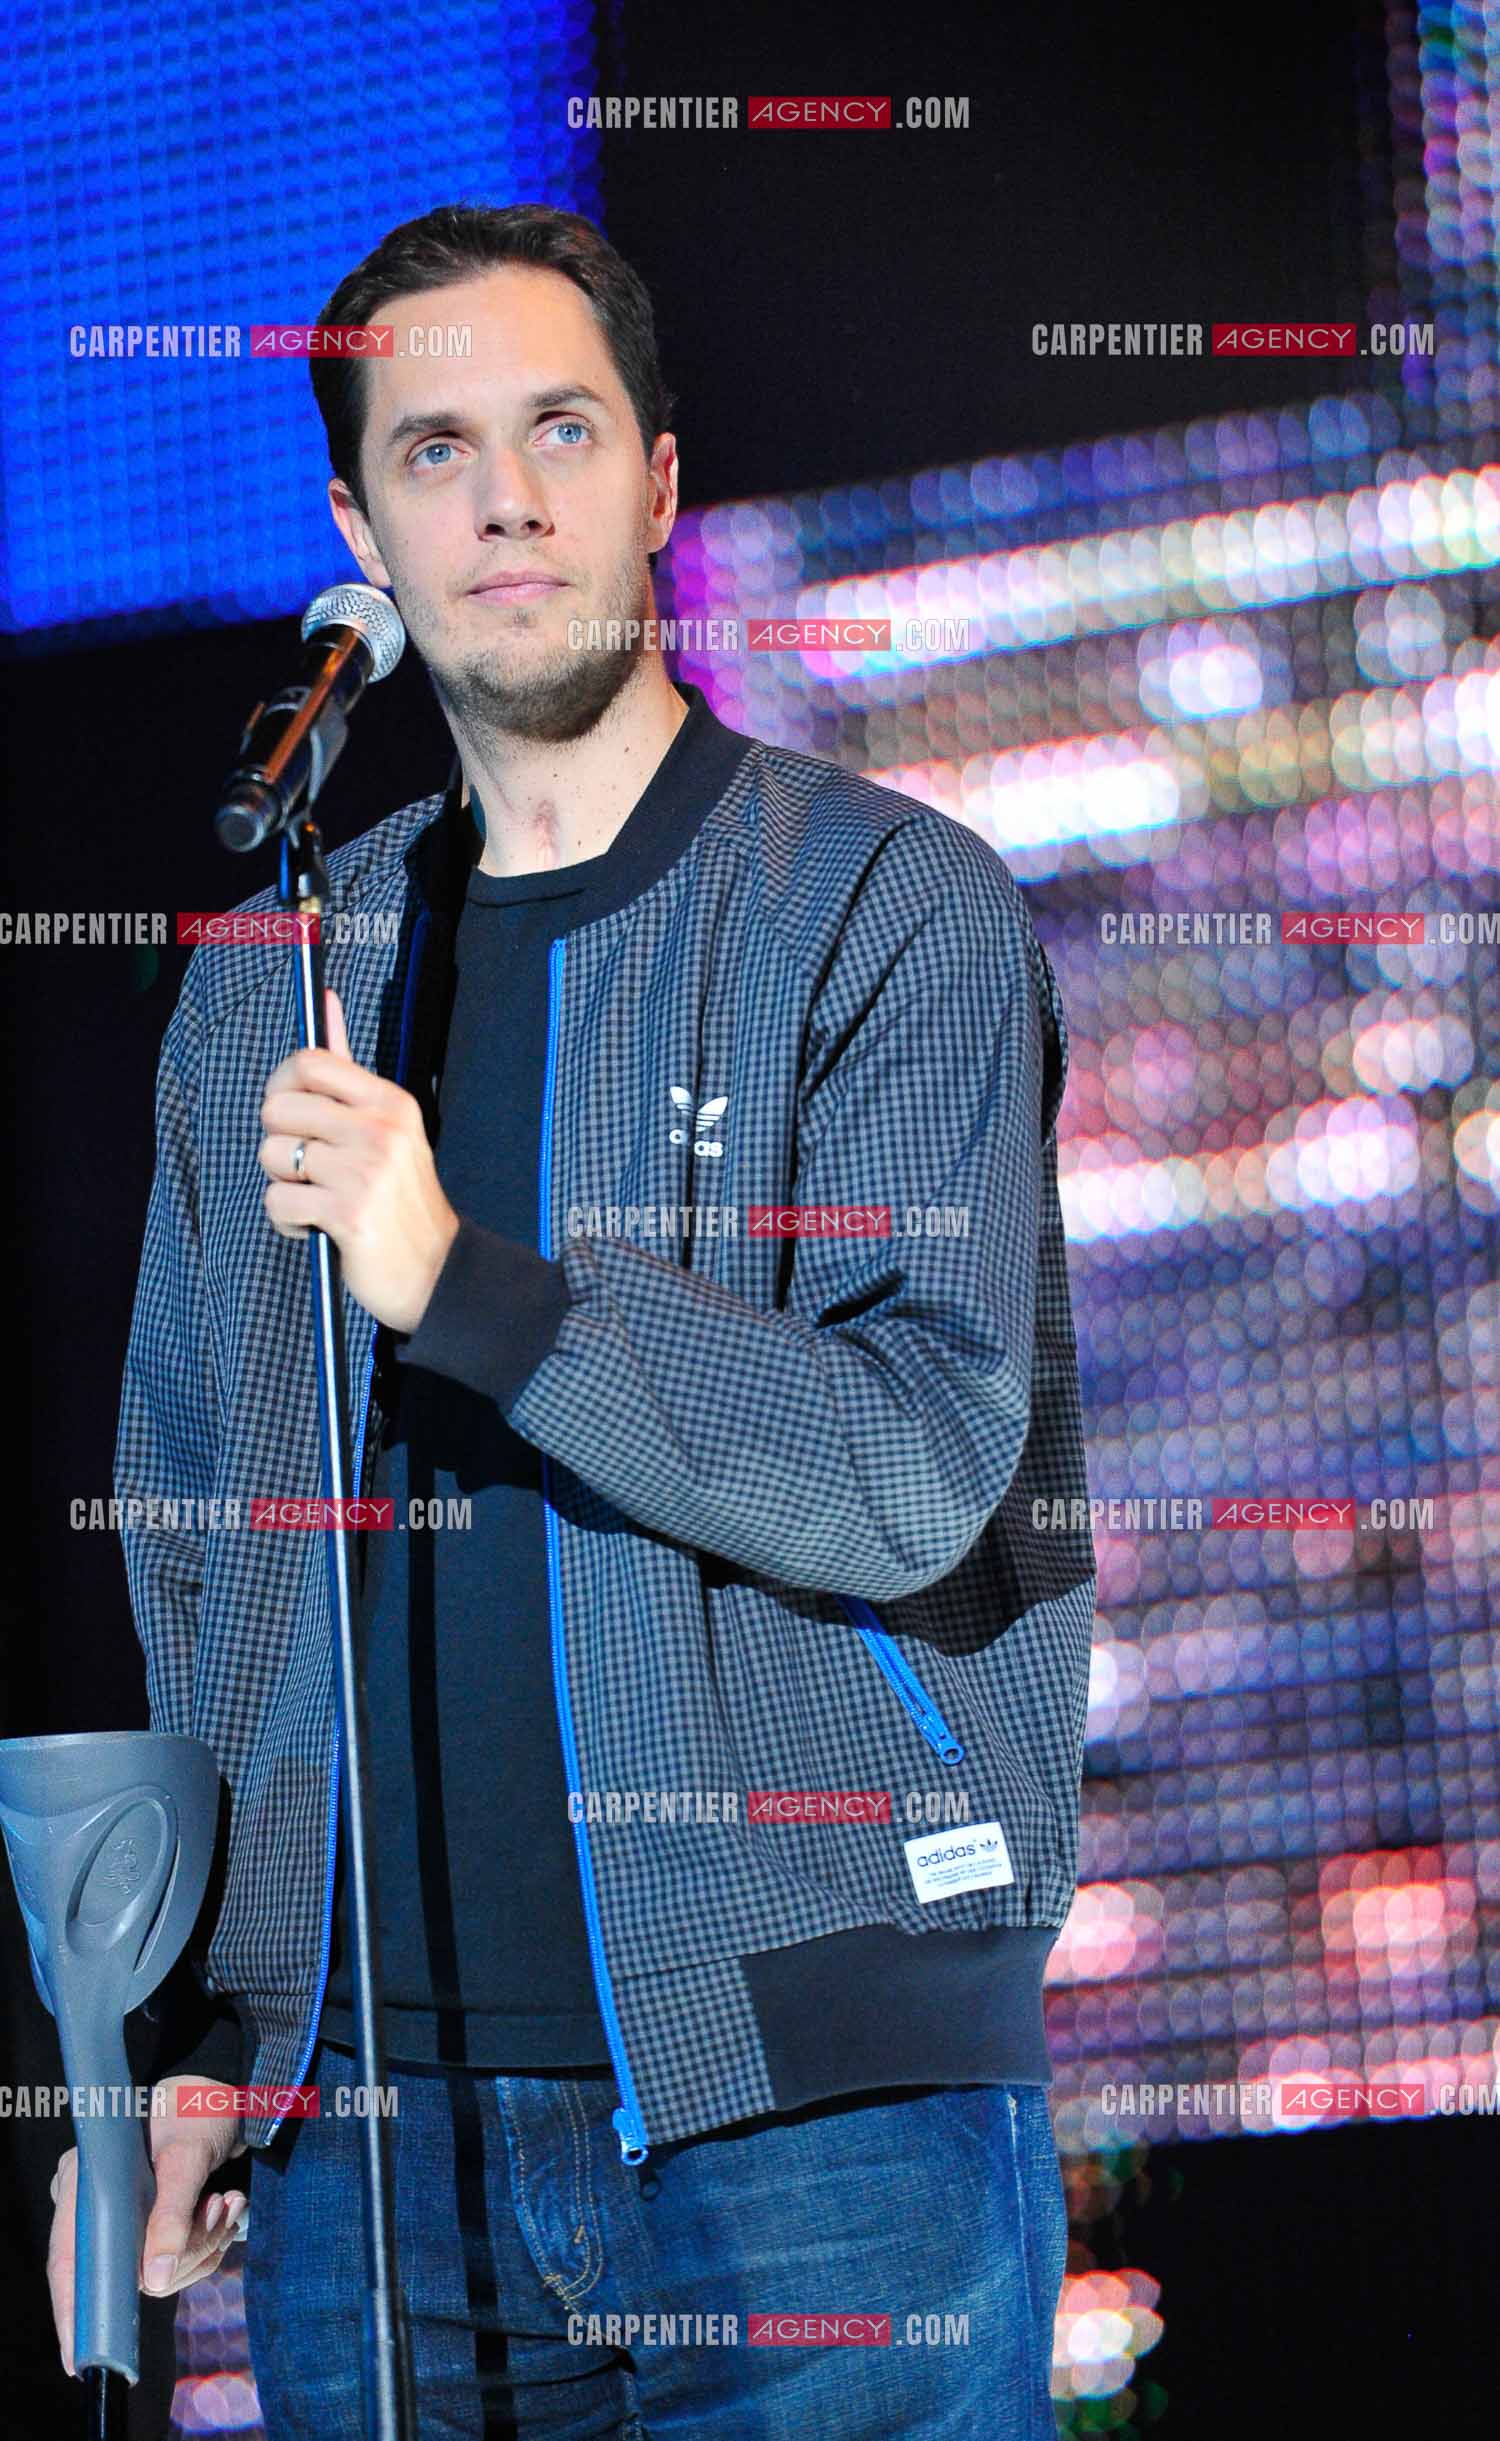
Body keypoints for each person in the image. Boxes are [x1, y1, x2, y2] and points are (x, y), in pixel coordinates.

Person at [48, 201, 1096, 2438]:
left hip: (821, 2129)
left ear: (658, 479)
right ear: (357, 524)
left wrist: (469, 1286)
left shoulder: (883, 908)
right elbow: (202, 1536)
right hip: (377, 2179)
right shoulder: (273, 992)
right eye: (434, 450)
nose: (505, 496)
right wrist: (222, 2032)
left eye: (560, 430)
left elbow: (920, 1461)